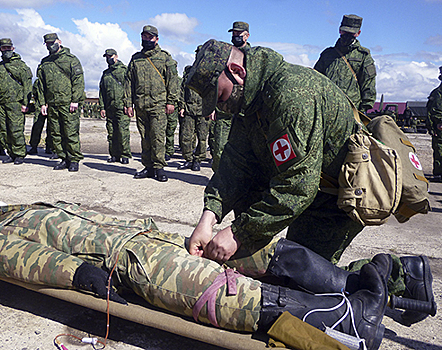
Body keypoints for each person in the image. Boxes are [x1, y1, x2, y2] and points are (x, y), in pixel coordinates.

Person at [185, 40, 435, 326]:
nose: (220, 106)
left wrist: (238, 232)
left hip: (336, 197)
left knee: (304, 283)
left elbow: (297, 187)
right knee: (285, 271)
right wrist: (209, 217)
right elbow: (235, 162)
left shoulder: (291, 96)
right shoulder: (249, 99)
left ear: (236, 70)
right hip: (309, 188)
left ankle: (401, 274)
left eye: (219, 95)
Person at [0, 187, 393, 350]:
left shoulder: (27, 205)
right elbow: (17, 260)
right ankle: (349, 319)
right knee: (217, 289)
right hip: (126, 263)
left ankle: (351, 284)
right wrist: (76, 274)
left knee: (251, 251)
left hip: (149, 241)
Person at [124, 25, 179, 182]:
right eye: (144, 36)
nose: (146, 39)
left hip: (159, 104)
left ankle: (159, 167)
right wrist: (128, 103)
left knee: (158, 136)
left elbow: (172, 81)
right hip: (141, 104)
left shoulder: (165, 58)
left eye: (150, 37)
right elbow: (129, 82)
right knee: (145, 137)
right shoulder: (135, 59)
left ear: (156, 39)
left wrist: (171, 101)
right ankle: (148, 167)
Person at [37, 33, 85, 172]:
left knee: (70, 133)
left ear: (59, 41)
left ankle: (74, 159)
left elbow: (78, 81)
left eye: (52, 42)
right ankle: (64, 158)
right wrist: (42, 103)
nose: (50, 45)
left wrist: (75, 100)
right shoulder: (45, 62)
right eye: (47, 43)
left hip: (68, 103)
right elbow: (41, 85)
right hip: (52, 103)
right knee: (56, 134)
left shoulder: (71, 60)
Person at [208, 22, 251, 172]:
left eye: (239, 34)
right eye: (234, 34)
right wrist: (212, 106)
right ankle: (219, 179)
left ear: (247, 35)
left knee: (243, 150)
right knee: (219, 147)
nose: (236, 36)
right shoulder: (226, 54)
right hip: (224, 109)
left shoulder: (253, 57)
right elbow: (217, 82)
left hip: (244, 111)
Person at [314, 14, 376, 114]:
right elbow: (316, 79)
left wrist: (362, 110)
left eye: (351, 33)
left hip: (351, 109)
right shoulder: (327, 54)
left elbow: (368, 84)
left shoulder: (363, 55)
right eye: (345, 32)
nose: (347, 35)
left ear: (358, 33)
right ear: (340, 30)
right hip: (326, 108)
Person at [0, 38, 33, 165]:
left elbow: (27, 86)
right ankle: (11, 153)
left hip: (16, 103)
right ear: (0, 49)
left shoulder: (21, 66)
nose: (6, 50)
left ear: (13, 48)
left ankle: (19, 154)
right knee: (4, 130)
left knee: (16, 130)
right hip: (1, 103)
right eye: (4, 48)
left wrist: (25, 103)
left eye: (8, 48)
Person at [99, 49, 131, 164]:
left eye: (110, 56)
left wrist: (128, 105)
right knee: (111, 132)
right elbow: (102, 91)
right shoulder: (105, 73)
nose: (108, 58)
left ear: (116, 56)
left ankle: (125, 154)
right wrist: (102, 107)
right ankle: (114, 154)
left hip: (122, 107)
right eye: (106, 57)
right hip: (109, 107)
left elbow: (129, 89)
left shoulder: (124, 71)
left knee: (122, 131)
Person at [177, 65, 208, 171]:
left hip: (203, 110)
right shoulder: (189, 73)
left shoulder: (209, 74)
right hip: (189, 109)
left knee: (202, 138)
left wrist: (212, 108)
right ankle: (188, 159)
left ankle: (198, 160)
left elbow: (213, 92)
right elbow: (182, 91)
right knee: (186, 136)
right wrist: (182, 106)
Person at [28, 78, 53, 156]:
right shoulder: (38, 82)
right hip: (39, 106)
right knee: (37, 126)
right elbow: (34, 93)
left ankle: (50, 147)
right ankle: (34, 146)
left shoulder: (53, 80)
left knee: (52, 127)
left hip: (51, 105)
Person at [427, 66, 442, 182]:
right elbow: (435, 111)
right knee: (438, 149)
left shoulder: (438, 92)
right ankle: (438, 174)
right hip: (439, 127)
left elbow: (435, 111)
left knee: (439, 149)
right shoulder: (438, 92)